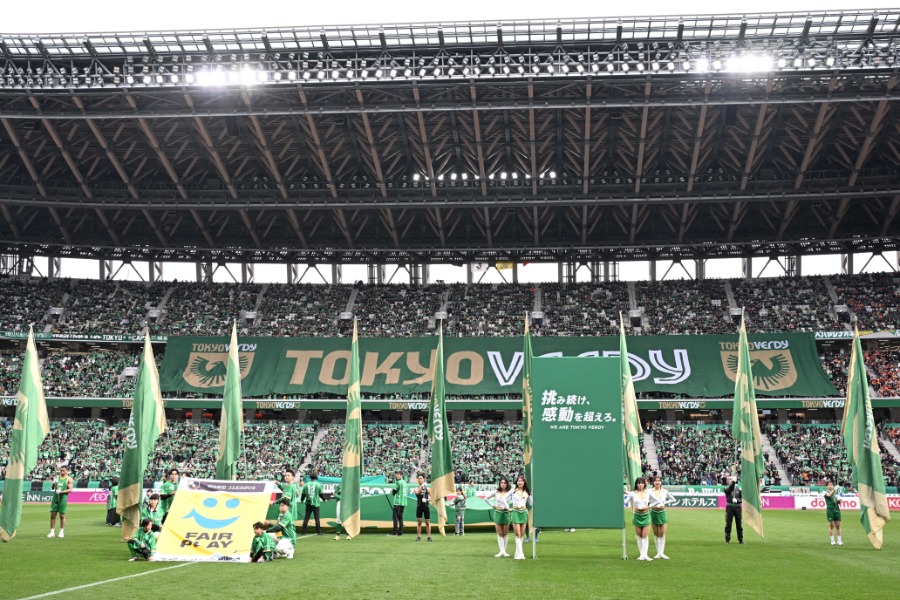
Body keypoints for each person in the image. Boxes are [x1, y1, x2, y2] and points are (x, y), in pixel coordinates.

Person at [484, 477, 513, 558]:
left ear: (507, 484)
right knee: (500, 533)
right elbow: (485, 499)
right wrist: (492, 505)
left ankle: (504, 551)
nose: (503, 484)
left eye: (504, 483)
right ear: (500, 484)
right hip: (498, 513)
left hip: (506, 513)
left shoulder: (510, 493)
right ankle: (501, 551)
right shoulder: (496, 492)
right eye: (501, 483)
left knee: (505, 533)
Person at [625, 477, 652, 560]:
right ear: (636, 484)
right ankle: (641, 554)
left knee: (645, 536)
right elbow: (625, 501)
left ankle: (645, 555)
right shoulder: (633, 493)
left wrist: (649, 506)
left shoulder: (648, 493)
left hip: (646, 515)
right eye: (638, 483)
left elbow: (657, 500)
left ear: (644, 484)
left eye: (642, 483)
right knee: (639, 536)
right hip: (637, 515)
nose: (640, 484)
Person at [648, 476, 675, 559]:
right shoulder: (649, 491)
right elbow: (646, 501)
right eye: (655, 481)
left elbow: (673, 499)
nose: (657, 482)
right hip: (653, 512)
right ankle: (658, 553)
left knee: (662, 533)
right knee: (656, 533)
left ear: (661, 482)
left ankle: (661, 553)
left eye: (659, 481)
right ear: (653, 482)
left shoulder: (664, 491)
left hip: (662, 512)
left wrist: (664, 503)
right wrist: (651, 505)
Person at [48, 465, 73, 539]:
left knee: (62, 515)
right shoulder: (57, 478)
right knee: (53, 515)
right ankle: (52, 532)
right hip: (55, 498)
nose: (61, 472)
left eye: (63, 471)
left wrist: (61, 492)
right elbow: (52, 488)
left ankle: (61, 532)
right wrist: (54, 483)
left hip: (63, 498)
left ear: (67, 471)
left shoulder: (69, 479)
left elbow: (70, 490)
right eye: (61, 470)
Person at [510, 475, 531, 560]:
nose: (520, 482)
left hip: (524, 513)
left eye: (521, 481)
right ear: (516, 482)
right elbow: (505, 498)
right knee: (517, 534)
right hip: (515, 512)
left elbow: (531, 503)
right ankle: (521, 553)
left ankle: (517, 553)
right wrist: (507, 507)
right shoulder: (513, 491)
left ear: (524, 482)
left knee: (521, 534)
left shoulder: (527, 492)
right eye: (519, 481)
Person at [723, 475, 743, 544]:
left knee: (739, 524)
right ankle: (727, 539)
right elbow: (730, 488)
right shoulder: (726, 488)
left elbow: (742, 499)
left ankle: (740, 539)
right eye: (729, 479)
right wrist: (734, 482)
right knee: (728, 524)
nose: (730, 480)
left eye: (731, 479)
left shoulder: (739, 489)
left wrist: (737, 500)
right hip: (730, 507)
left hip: (737, 508)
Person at [413, 474, 432, 542]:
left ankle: (429, 537)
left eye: (421, 478)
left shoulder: (428, 489)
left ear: (424, 479)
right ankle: (419, 536)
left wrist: (428, 499)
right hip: (419, 507)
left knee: (427, 522)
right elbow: (418, 493)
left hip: (426, 507)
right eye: (418, 478)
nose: (419, 480)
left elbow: (432, 497)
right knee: (419, 523)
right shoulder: (416, 488)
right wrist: (422, 486)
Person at [389, 471, 409, 536]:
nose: (396, 475)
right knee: (400, 517)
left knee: (395, 518)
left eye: (397, 474)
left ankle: (394, 532)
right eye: (396, 474)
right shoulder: (405, 482)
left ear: (401, 475)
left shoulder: (398, 482)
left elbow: (394, 491)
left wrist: (393, 491)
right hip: (403, 502)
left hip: (398, 502)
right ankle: (400, 532)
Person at [824, 480, 843, 546]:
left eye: (831, 485)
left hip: (837, 510)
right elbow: (829, 495)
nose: (830, 486)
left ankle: (839, 540)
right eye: (829, 485)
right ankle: (832, 540)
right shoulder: (825, 492)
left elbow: (839, 502)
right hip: (830, 510)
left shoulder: (836, 493)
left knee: (838, 525)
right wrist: (835, 490)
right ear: (827, 486)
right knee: (831, 525)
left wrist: (839, 499)